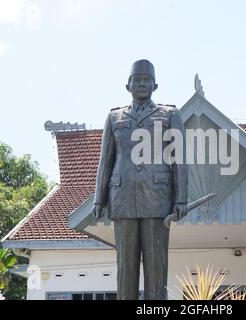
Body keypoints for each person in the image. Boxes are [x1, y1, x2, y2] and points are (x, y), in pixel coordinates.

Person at [92, 59, 188, 300]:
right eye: (138, 80)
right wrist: (98, 199)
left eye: (147, 80)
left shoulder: (170, 115)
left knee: (157, 269)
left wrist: (181, 199)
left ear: (155, 86)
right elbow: (106, 160)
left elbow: (179, 160)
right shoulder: (114, 117)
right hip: (122, 198)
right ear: (128, 85)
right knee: (126, 268)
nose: (142, 84)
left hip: (157, 199)